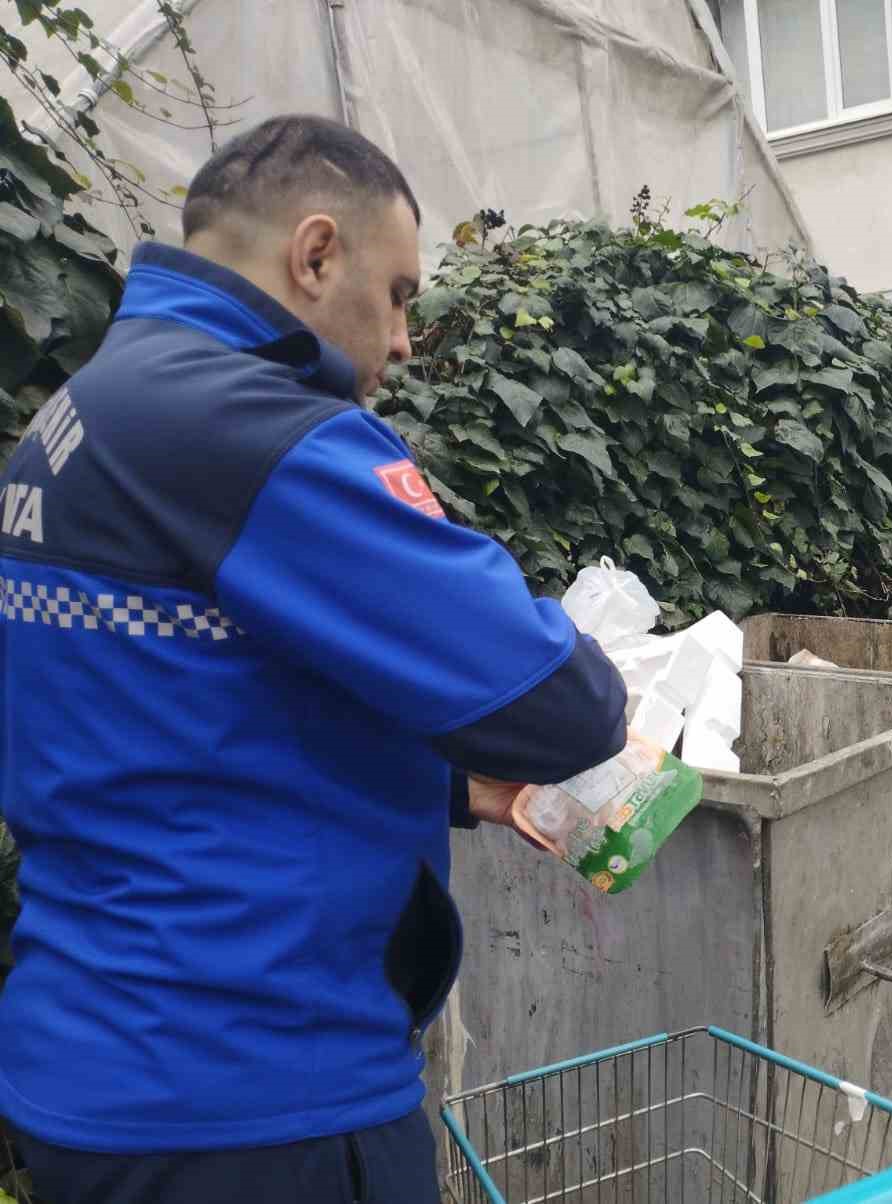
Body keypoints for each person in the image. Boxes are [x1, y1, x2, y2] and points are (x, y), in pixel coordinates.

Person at [0, 115, 628, 1203]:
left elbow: (163, 703)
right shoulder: (256, 430)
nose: (402, 342)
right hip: (259, 1097)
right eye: (396, 296)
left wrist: (445, 782)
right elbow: (560, 705)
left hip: (103, 1067)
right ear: (316, 252)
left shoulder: (78, 421)